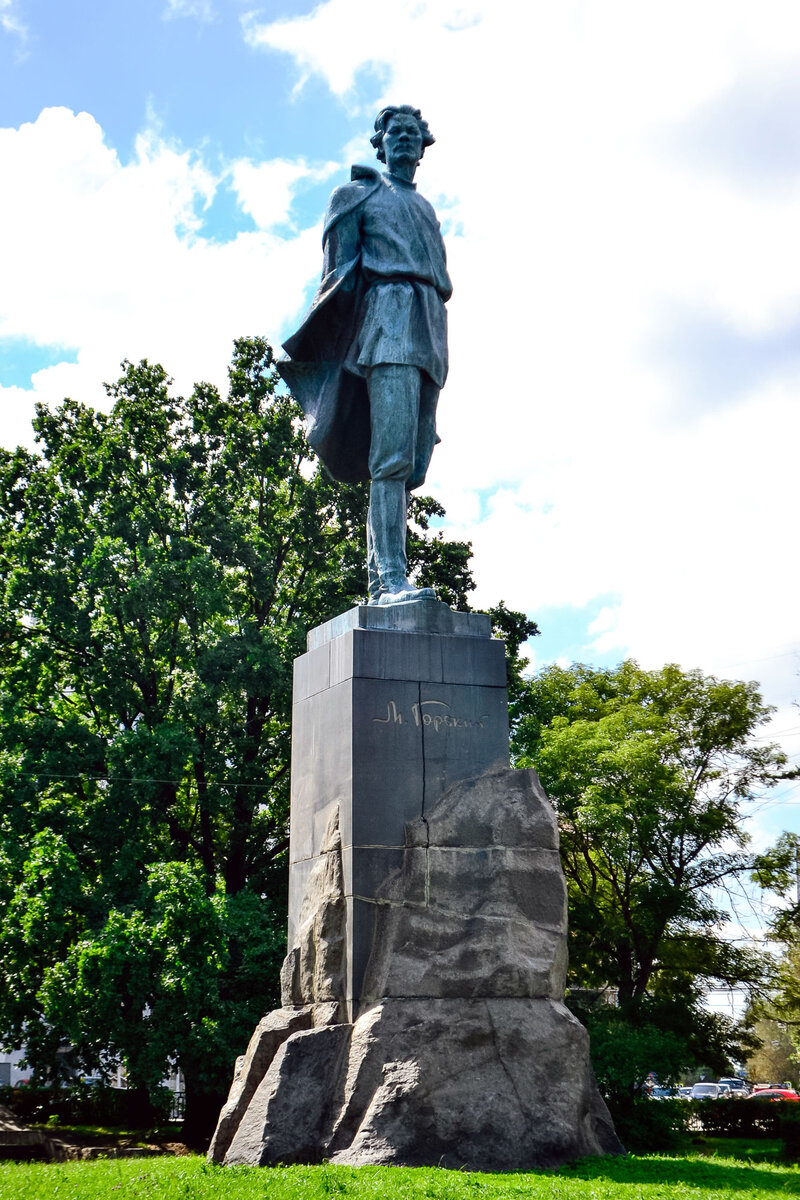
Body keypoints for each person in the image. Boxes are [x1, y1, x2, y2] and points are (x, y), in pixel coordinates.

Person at [278, 105, 452, 605]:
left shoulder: (425, 208)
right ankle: (388, 580)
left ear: (423, 146)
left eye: (411, 134)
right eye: (394, 133)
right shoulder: (357, 195)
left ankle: (389, 574)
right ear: (381, 143)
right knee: (392, 458)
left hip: (430, 324)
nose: (402, 140)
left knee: (413, 466)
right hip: (388, 322)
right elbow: (336, 282)